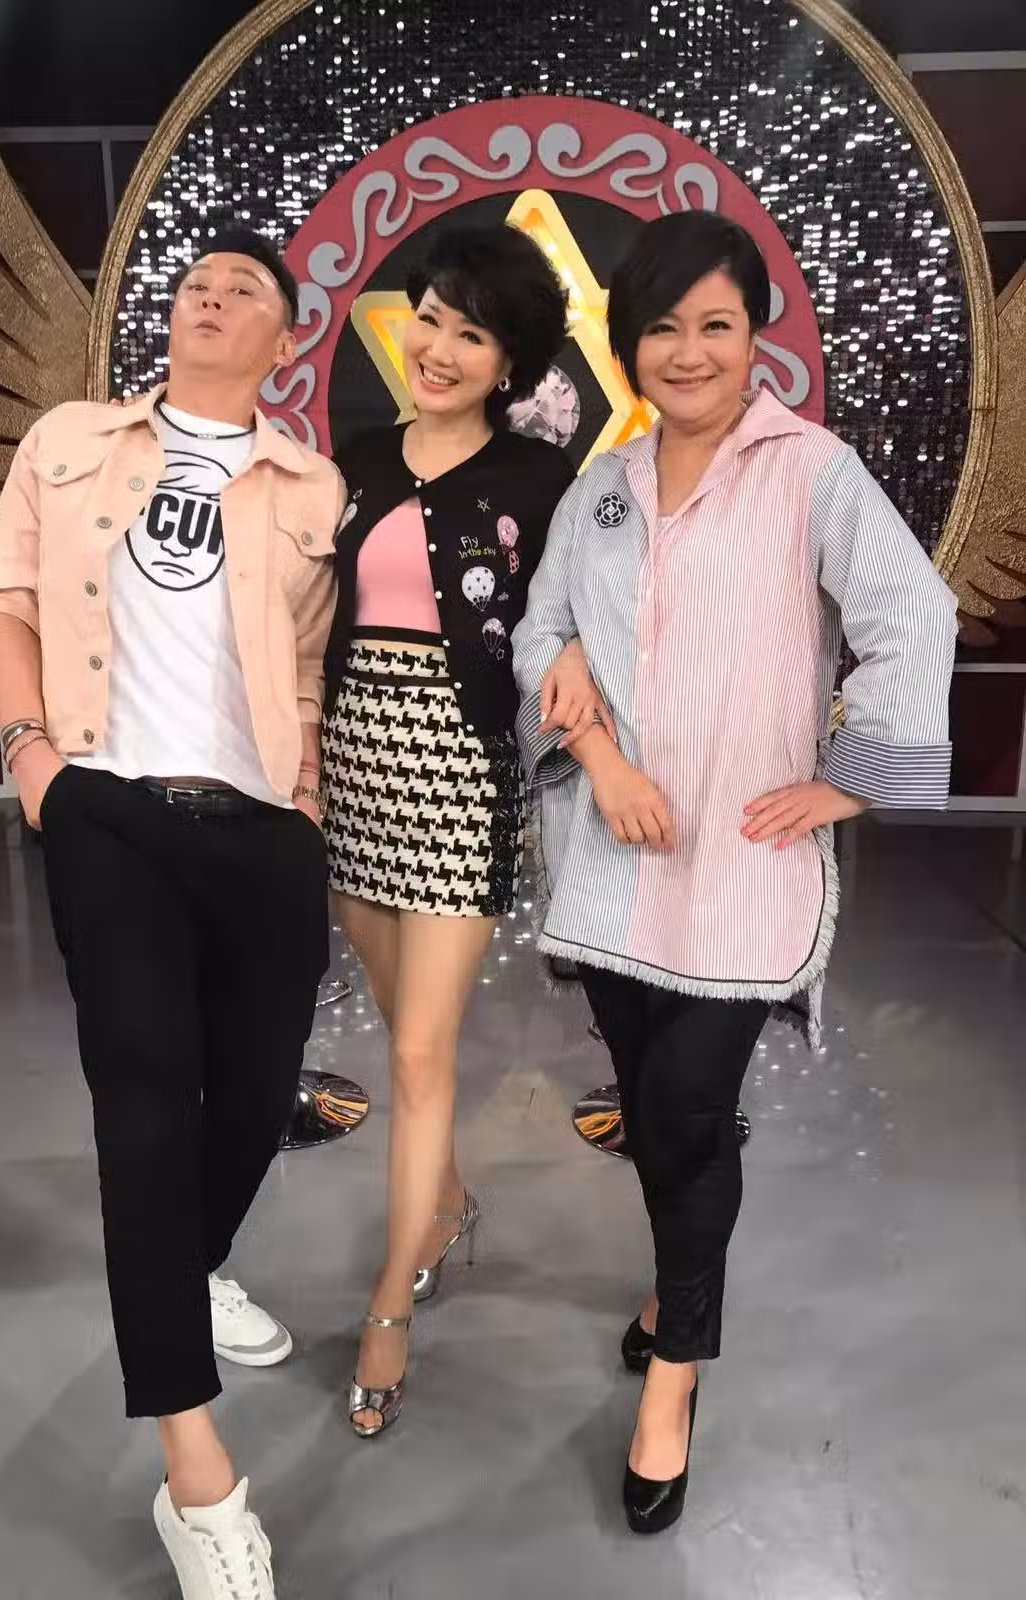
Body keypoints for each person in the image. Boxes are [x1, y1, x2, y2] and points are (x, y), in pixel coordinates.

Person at [513, 210, 957, 1533]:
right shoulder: (603, 485)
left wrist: (851, 781)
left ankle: (676, 1374)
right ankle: (675, 1285)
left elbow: (912, 613)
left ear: (756, 334)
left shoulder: (811, 470)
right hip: (614, 858)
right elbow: (542, 629)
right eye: (662, 327)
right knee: (654, 1110)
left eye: (716, 324)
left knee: (690, 1109)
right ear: (628, 344)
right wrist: (597, 753)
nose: (689, 351)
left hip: (745, 864)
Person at [0, 229, 345, 1600]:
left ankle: (189, 1269)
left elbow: (305, 661)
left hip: (262, 826)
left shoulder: (310, 484)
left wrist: (305, 807)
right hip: (107, 808)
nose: (212, 296)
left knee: (254, 1100)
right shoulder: (69, 440)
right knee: (141, 1112)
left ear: (286, 341)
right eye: (197, 284)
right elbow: (7, 602)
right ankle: (198, 1476)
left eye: (246, 291)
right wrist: (34, 764)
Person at [321, 223, 600, 1436]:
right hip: (350, 767)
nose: (436, 346)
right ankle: (443, 1204)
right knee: (402, 1031)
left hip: (458, 772)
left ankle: (391, 1301)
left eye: (470, 333)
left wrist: (576, 666)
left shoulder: (544, 481)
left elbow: (579, 615)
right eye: (430, 317)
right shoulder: (351, 462)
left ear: (510, 363)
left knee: (422, 1054)